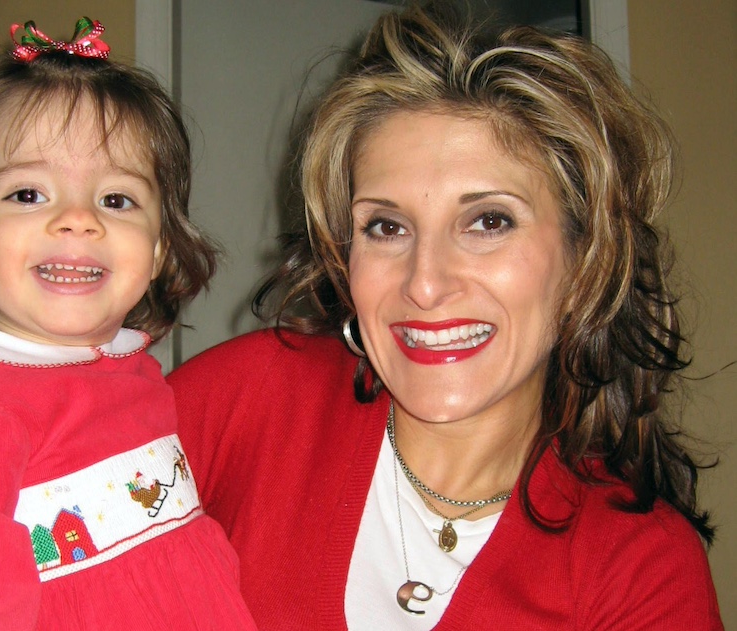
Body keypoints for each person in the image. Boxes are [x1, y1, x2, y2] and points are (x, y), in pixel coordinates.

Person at [168, 3, 724, 630]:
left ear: (584, 263)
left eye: (489, 221)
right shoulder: (246, 401)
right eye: (386, 226)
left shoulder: (640, 569)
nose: (425, 284)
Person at [0, 17, 256, 631]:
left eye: (117, 200)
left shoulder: (133, 374)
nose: (78, 220)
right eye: (28, 194)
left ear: (160, 248)